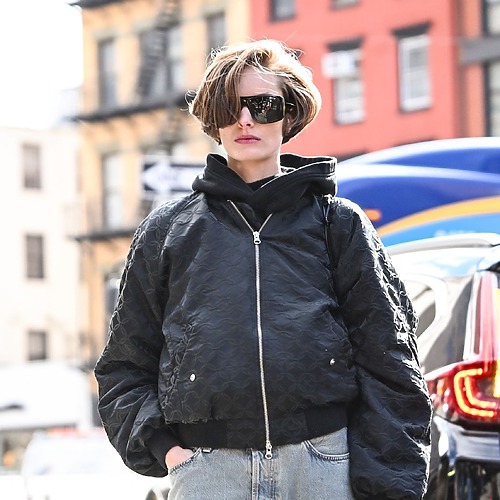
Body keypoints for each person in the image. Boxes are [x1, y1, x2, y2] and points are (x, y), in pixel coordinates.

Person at [95, 39, 432, 499]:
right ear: (213, 118)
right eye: (230, 107)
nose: (246, 119)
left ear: (288, 114)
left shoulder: (337, 223)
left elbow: (389, 359)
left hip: (322, 466)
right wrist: (170, 452)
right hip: (208, 471)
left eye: (263, 105)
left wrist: (388, 483)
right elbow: (123, 365)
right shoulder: (168, 231)